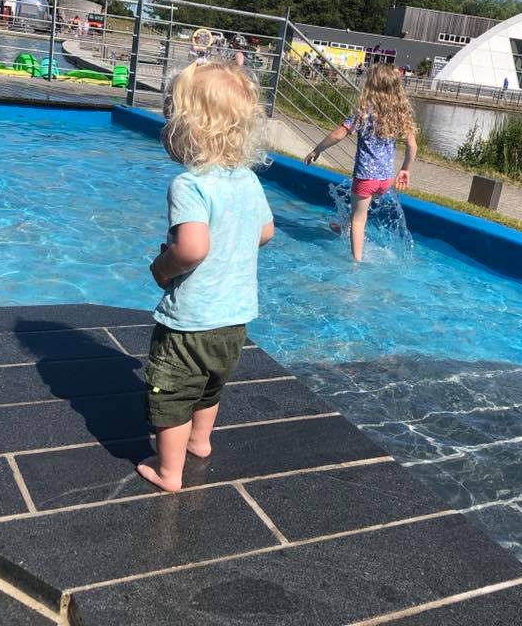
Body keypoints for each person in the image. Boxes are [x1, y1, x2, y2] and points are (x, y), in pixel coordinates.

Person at [137, 61, 274, 493]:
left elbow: (193, 249)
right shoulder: (247, 180)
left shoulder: (189, 185)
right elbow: (265, 232)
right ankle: (200, 441)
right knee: (210, 385)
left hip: (191, 321)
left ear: (187, 129)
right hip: (234, 318)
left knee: (173, 394)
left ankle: (169, 472)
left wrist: (162, 267)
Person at [303, 62, 417, 261]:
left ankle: (356, 260)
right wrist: (405, 169)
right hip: (384, 180)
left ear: (370, 85)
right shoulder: (399, 113)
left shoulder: (364, 112)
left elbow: (338, 134)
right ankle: (342, 228)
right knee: (359, 208)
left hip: (365, 178)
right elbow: (412, 145)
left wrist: (317, 149)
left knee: (359, 219)